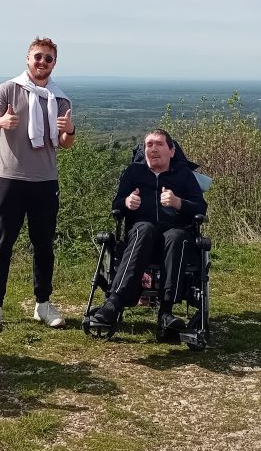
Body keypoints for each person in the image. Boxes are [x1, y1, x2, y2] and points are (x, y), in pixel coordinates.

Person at [0, 37, 75, 332]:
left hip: (45, 181)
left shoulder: (61, 100)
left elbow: (65, 144)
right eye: (38, 57)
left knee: (44, 245)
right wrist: (2, 121)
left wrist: (69, 130)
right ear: (28, 59)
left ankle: (43, 304)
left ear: (54, 63)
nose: (42, 62)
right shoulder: (8, 89)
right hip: (9, 179)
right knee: (2, 245)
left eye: (48, 58)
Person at [88, 129, 207, 338]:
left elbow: (200, 208)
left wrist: (178, 202)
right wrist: (126, 202)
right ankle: (114, 302)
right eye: (149, 145)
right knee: (145, 229)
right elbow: (116, 205)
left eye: (159, 144)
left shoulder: (183, 175)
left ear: (171, 151)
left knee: (176, 236)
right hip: (141, 239)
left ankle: (166, 312)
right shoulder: (134, 172)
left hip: (175, 239)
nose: (153, 149)